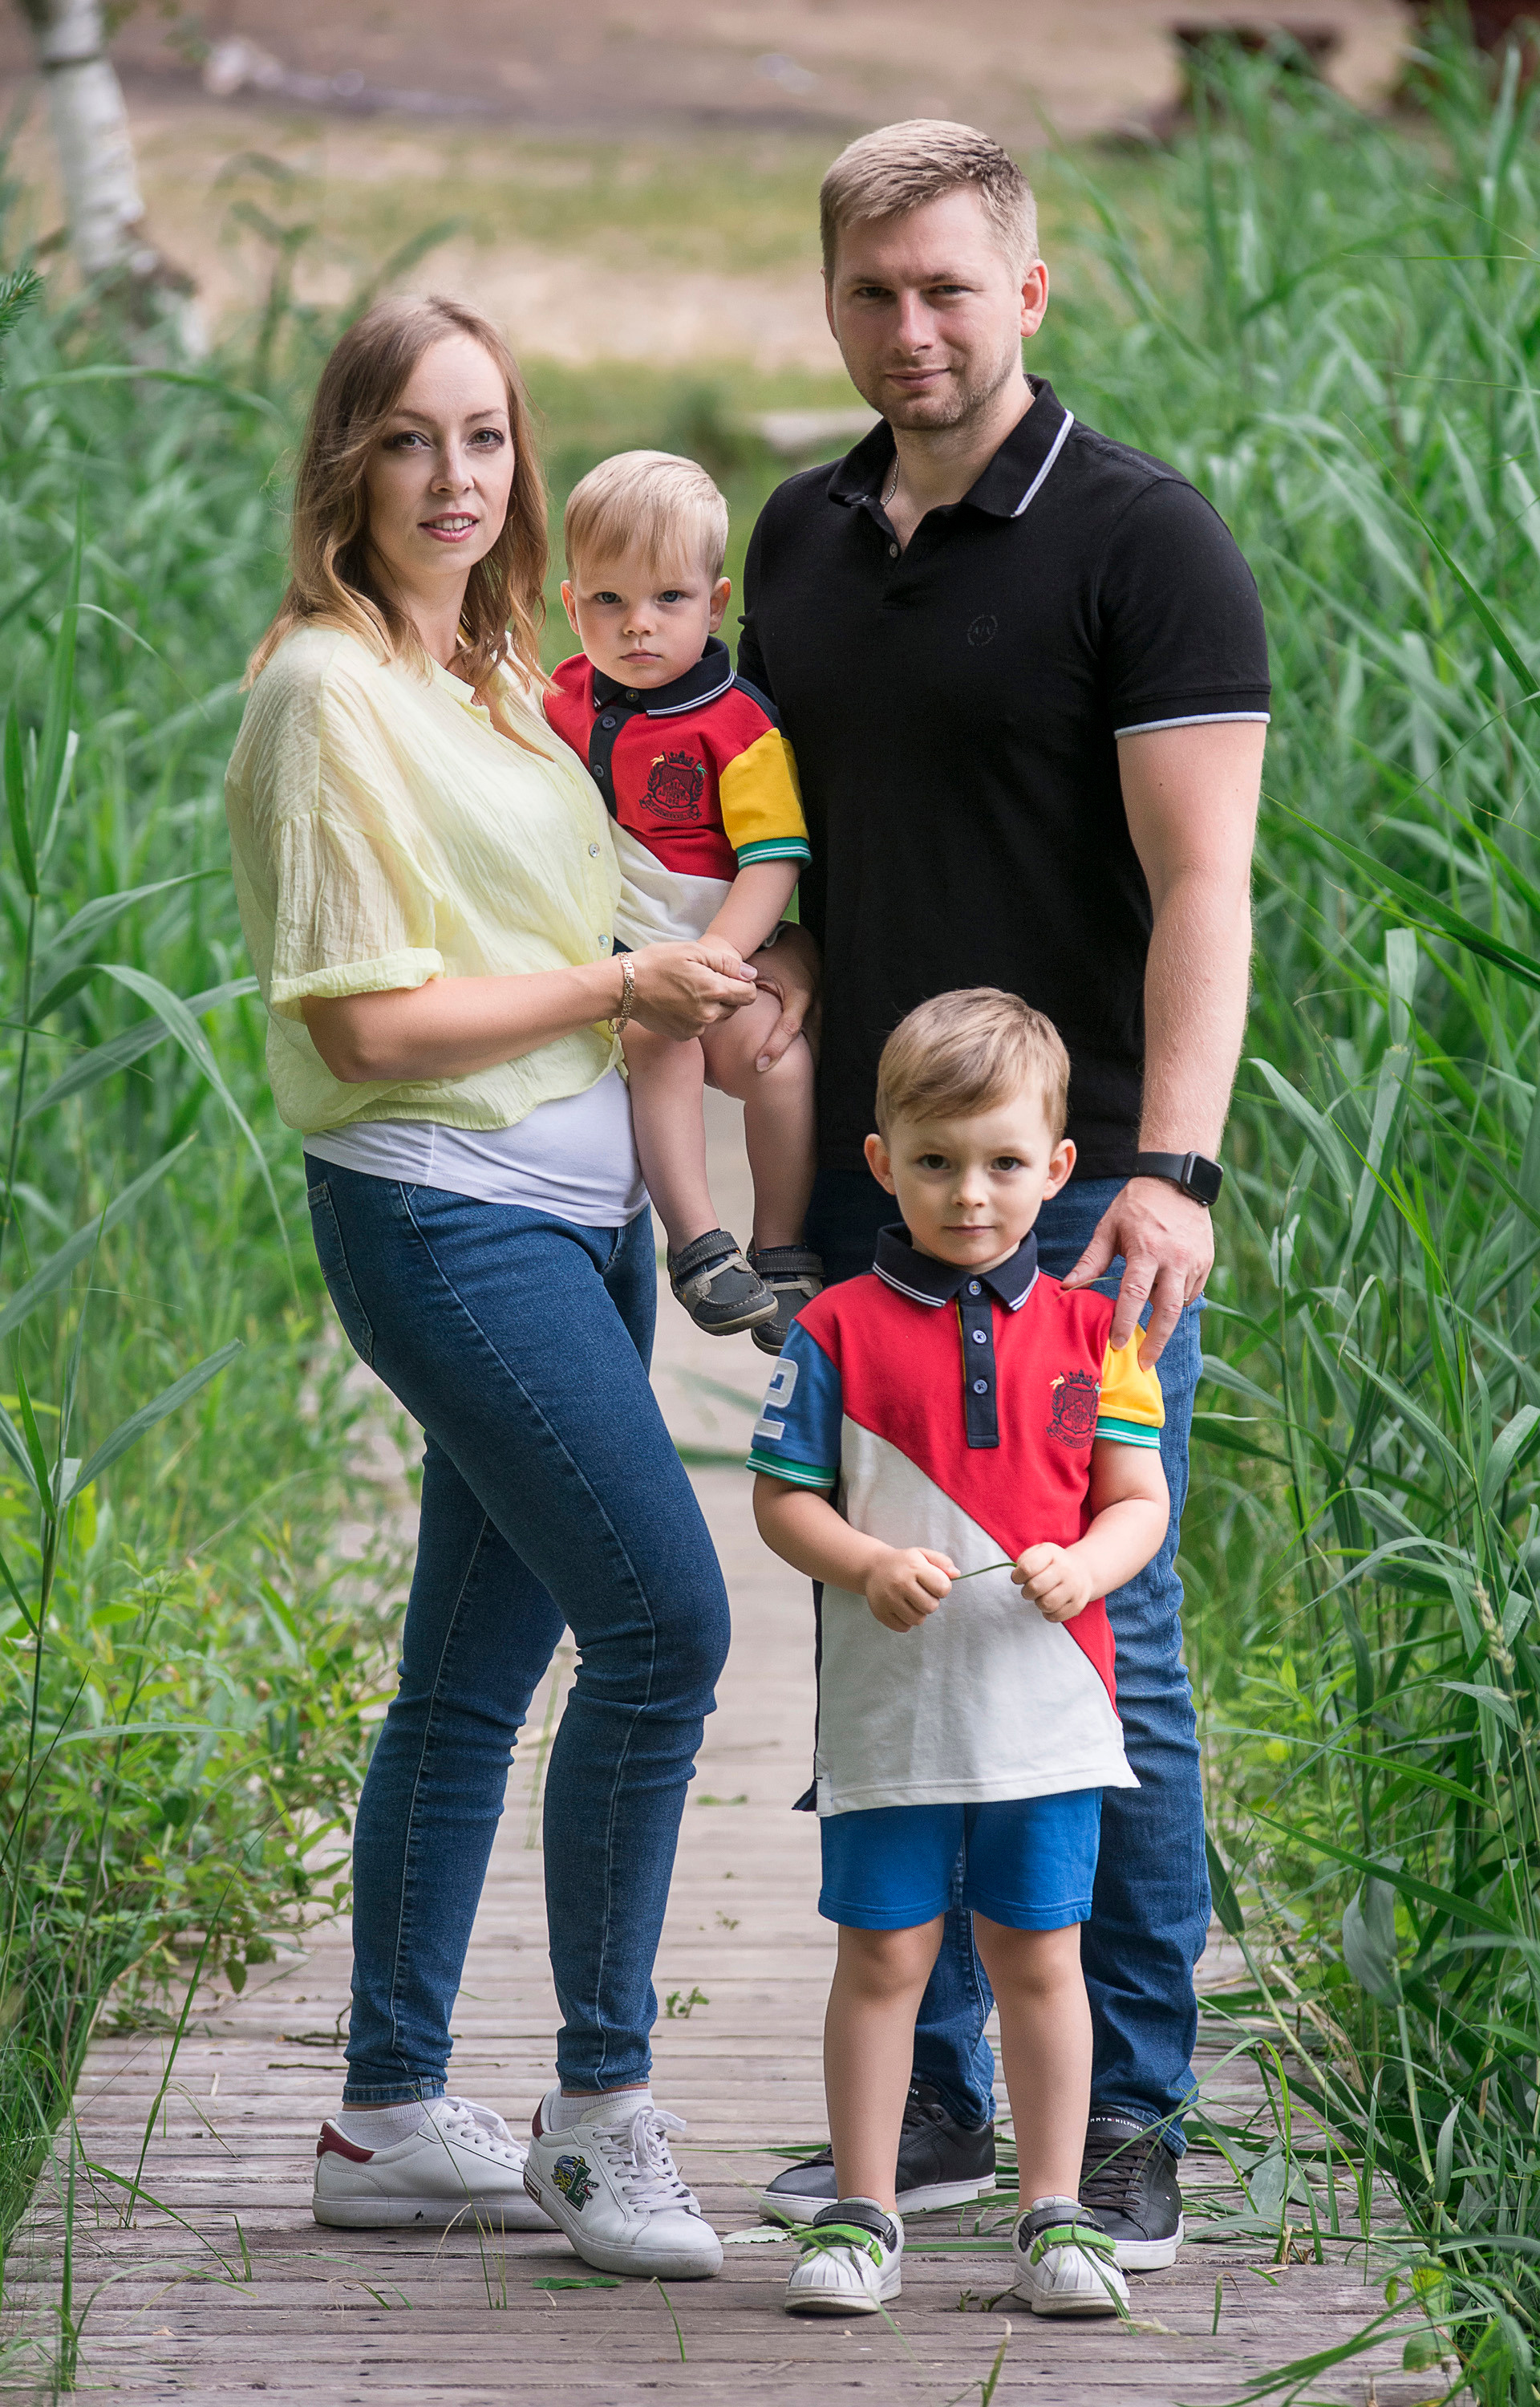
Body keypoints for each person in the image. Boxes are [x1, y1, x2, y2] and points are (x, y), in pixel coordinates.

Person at [223, 293, 811, 2282]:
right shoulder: (326, 692)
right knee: (662, 1623)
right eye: (410, 440)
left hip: (580, 1223)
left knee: (469, 1682)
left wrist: (737, 979)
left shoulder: (489, 672)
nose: (455, 477)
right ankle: (600, 2111)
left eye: (484, 439)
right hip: (442, 1212)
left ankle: (387, 2110)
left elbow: (627, 897)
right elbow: (374, 1023)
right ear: (345, 468)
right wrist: (621, 987)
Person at [744, 121, 1269, 2265]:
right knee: (900, 1635)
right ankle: (943, 2109)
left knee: (1101, 1645)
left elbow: (1202, 881)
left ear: (1028, 293)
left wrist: (1173, 1171)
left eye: (950, 288)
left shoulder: (1145, 542)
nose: (912, 328)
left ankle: (1129, 2112)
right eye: (873, 290)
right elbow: (781, 868)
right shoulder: (794, 538)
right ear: (833, 298)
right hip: (878, 1204)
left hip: (1078, 1202)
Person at [749, 990, 1169, 2318]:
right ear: (881, 1165)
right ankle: (863, 2217)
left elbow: (1140, 1503)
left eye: (1001, 1164)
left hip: (1046, 1709)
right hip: (890, 1715)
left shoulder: (1107, 1336)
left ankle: (1058, 2218)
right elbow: (783, 1501)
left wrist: (1087, 1565)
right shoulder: (831, 1333)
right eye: (934, 1163)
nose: (970, 1195)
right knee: (882, 1957)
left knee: (1042, 1952)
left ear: (1057, 1168)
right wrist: (863, 1562)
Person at [545, 451, 821, 1353]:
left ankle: (778, 1245)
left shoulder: (738, 726)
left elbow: (772, 861)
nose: (637, 626)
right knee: (653, 1036)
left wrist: (721, 964)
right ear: (570, 602)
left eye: (668, 598)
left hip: (720, 948)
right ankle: (698, 1245)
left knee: (780, 1067)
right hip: (625, 966)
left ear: (714, 600)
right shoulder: (560, 699)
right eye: (608, 602)